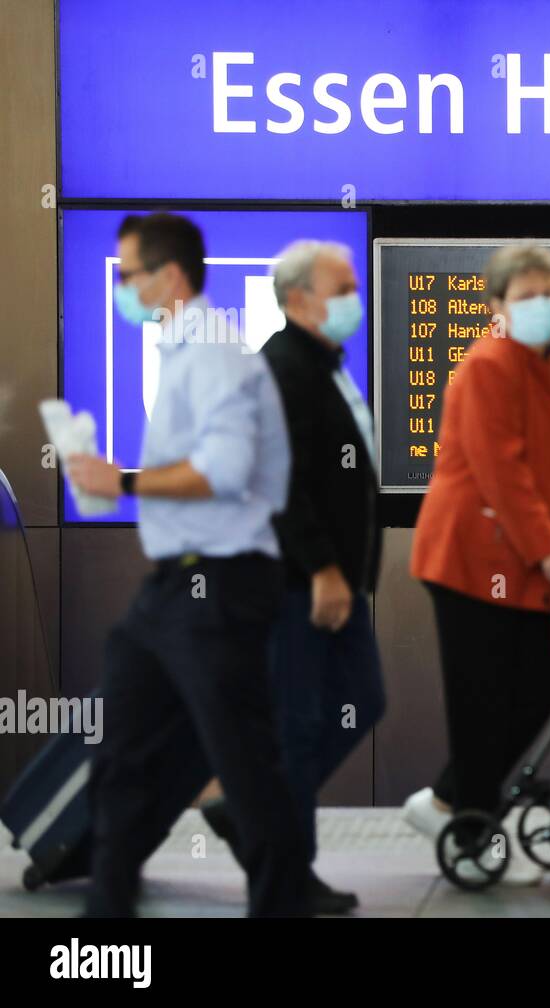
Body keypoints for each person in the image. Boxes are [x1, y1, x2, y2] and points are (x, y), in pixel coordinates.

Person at [67, 212, 310, 917]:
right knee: (120, 751)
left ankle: (281, 905)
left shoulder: (214, 356)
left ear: (168, 277)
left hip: (222, 586)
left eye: (128, 274)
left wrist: (127, 482)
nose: (121, 286)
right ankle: (105, 928)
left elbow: (227, 469)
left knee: (244, 764)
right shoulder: (182, 351)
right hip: (173, 587)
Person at [402, 243, 550, 884]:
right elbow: (503, 475)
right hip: (472, 557)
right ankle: (469, 824)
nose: (541, 306)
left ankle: (441, 804)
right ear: (496, 306)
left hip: (527, 561)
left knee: (539, 689)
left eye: (549, 294)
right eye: (525, 297)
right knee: (480, 701)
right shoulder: (487, 366)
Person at [197, 241, 385, 915]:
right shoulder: (279, 370)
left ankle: (248, 812)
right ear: (300, 298)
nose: (353, 298)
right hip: (297, 585)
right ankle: (284, 873)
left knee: (359, 701)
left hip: (335, 582)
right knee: (299, 725)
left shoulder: (323, 366)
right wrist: (326, 571)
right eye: (343, 286)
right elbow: (278, 487)